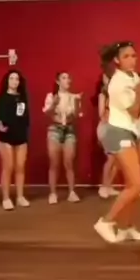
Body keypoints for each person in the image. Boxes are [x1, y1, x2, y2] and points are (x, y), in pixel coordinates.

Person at [93, 41, 140, 244]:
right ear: (117, 60)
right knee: (136, 185)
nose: (132, 60)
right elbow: (135, 111)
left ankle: (126, 228)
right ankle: (106, 221)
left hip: (129, 132)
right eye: (126, 56)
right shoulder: (117, 83)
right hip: (118, 133)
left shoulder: (132, 77)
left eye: (134, 55)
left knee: (134, 187)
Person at [0, 70, 30, 210]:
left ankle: (20, 196)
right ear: (7, 81)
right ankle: (6, 198)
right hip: (5, 137)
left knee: (20, 166)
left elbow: (25, 117)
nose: (14, 81)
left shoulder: (22, 98)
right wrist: (0, 126)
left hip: (21, 136)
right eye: (12, 78)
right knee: (8, 167)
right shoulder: (1, 98)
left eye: (17, 79)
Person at [43, 72, 82, 204]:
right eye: (64, 78)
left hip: (69, 130)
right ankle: (53, 193)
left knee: (69, 162)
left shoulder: (73, 97)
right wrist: (54, 104)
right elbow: (47, 113)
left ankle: (72, 192)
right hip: (55, 129)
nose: (67, 80)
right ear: (58, 81)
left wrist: (77, 103)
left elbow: (76, 115)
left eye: (68, 78)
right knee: (54, 163)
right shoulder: (51, 96)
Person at [95, 61, 120, 200]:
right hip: (107, 128)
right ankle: (103, 187)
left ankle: (109, 186)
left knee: (117, 160)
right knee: (110, 158)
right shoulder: (102, 96)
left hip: (117, 127)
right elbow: (101, 114)